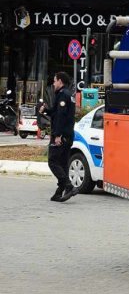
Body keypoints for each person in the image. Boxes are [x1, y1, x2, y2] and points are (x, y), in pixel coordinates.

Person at [39, 72, 77, 202]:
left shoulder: (62, 96)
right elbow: (57, 113)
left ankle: (69, 186)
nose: (53, 83)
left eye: (54, 81)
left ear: (60, 81)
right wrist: (45, 110)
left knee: (53, 161)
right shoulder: (67, 95)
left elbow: (61, 117)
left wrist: (57, 135)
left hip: (61, 136)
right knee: (62, 163)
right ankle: (59, 192)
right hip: (68, 135)